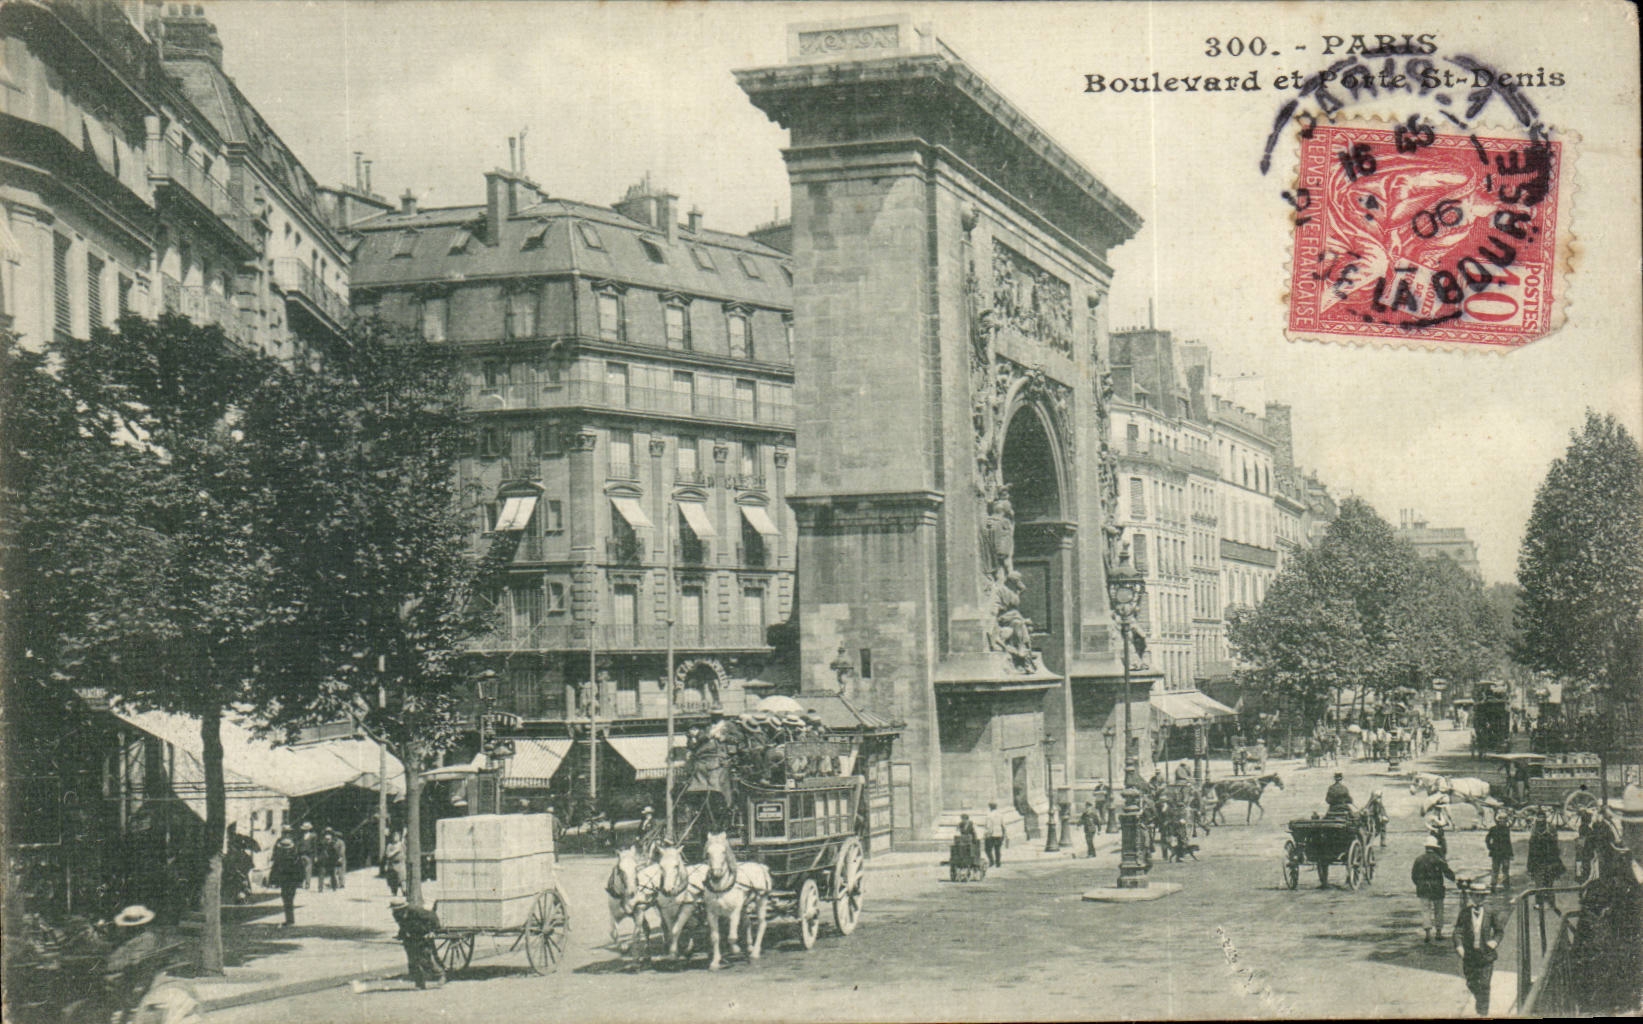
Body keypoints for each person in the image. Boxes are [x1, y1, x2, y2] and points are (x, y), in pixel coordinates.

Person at [1454, 878, 1504, 1015]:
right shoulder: (1465, 912)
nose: (1479, 898)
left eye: (1482, 896)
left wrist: (1494, 942)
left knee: (1485, 985)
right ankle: (1481, 1004)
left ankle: (1483, 1012)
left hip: (1486, 955)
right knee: (1471, 983)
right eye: (1476, 896)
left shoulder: (1490, 911)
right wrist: (1459, 947)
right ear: (1471, 896)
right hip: (1470, 956)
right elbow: (1458, 931)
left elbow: (1499, 931)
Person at [103, 905, 163, 1019]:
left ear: (140, 925)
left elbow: (136, 960)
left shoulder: (147, 938)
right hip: (120, 969)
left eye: (132, 926)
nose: (129, 928)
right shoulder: (131, 937)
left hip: (130, 975)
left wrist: (111, 966)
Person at [390, 897, 445, 989]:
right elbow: (402, 925)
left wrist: (433, 931)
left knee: (425, 959)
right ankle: (419, 983)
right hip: (410, 937)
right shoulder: (396, 914)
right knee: (413, 961)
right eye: (394, 909)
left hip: (423, 934)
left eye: (398, 909)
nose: (396, 911)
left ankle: (440, 975)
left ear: (404, 907)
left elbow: (432, 917)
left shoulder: (416, 911)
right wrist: (401, 935)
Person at [1411, 834, 1456, 942]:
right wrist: (1454, 879)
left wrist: (1419, 884)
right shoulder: (1438, 859)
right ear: (1435, 847)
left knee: (1425, 910)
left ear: (1425, 847)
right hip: (1437, 888)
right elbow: (1447, 872)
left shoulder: (1419, 859)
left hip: (1423, 888)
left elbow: (1414, 875)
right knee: (1438, 910)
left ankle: (1427, 933)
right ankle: (1438, 932)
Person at [1526, 809, 1566, 911]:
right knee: (1542, 884)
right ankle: (1545, 903)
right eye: (1539, 818)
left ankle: (1546, 903)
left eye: (1542, 817)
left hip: (1545, 861)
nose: (1541, 819)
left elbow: (1554, 847)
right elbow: (1531, 850)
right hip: (1541, 861)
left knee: (1545, 883)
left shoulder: (1540, 830)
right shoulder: (1543, 830)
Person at [268, 825, 305, 927]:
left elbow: (275, 863)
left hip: (289, 877)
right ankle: (290, 919)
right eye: (285, 832)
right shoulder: (282, 844)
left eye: (288, 832)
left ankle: (290, 919)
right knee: (287, 897)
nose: (287, 834)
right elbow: (275, 862)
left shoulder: (294, 845)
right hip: (288, 877)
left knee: (287, 897)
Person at [1485, 815, 1514, 892]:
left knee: (1505, 869)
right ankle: (1493, 885)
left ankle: (1506, 885)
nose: (1502, 822)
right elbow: (1487, 839)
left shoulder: (1506, 829)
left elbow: (1508, 842)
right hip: (1496, 853)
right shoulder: (1493, 829)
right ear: (1498, 821)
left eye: (1504, 820)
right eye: (1501, 820)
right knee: (1495, 869)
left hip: (1505, 853)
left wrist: (1511, 854)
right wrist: (1490, 847)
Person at [983, 801, 1006, 868]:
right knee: (997, 849)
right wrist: (1004, 834)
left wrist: (986, 834)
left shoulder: (989, 815)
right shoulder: (1000, 814)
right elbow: (1003, 825)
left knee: (987, 849)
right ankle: (998, 863)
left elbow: (989, 826)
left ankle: (991, 861)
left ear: (990, 807)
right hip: (999, 834)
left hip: (991, 834)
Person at [383, 831, 405, 898]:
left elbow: (405, 852)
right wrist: (396, 851)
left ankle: (404, 891)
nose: (396, 838)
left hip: (401, 863)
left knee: (402, 878)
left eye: (397, 836)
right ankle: (394, 892)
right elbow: (388, 855)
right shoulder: (390, 845)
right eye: (394, 836)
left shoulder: (402, 845)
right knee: (393, 879)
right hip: (392, 864)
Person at [299, 822, 318, 890]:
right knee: (301, 869)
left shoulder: (313, 836)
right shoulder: (301, 836)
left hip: (309, 855)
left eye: (306, 829)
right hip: (301, 854)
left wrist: (315, 856)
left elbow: (315, 846)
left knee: (308, 870)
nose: (305, 830)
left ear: (309, 829)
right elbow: (299, 845)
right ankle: (300, 883)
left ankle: (307, 884)